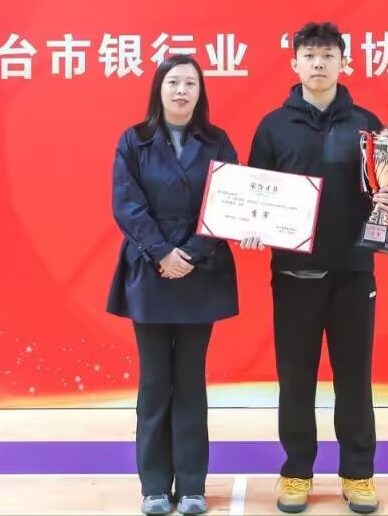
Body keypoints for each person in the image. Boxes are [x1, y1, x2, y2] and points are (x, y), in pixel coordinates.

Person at [245, 22, 388, 515]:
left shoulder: (367, 123)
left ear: (342, 62)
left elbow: (385, 188)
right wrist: (251, 225)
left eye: (328, 54)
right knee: (295, 380)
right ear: (294, 63)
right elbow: (253, 193)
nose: (318, 63)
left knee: (355, 378)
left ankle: (358, 473)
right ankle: (296, 472)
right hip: (294, 277)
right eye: (309, 55)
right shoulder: (273, 126)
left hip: (353, 274)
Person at [107, 54, 242, 516]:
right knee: (154, 382)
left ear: (201, 92)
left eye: (190, 83)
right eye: (173, 83)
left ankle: (191, 486)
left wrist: (192, 254)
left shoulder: (218, 142)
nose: (182, 91)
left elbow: (228, 203)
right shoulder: (134, 140)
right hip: (150, 271)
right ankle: (153, 487)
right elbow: (127, 205)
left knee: (190, 382)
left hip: (200, 272)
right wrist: (163, 252)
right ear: (159, 89)